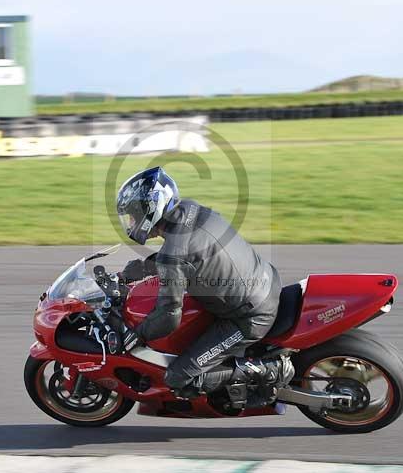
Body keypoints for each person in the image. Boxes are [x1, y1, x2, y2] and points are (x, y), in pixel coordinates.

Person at [116, 166, 287, 398]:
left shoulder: (172, 256)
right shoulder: (191, 209)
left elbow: (169, 316)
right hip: (266, 281)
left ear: (149, 208)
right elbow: (191, 255)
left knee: (179, 377)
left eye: (133, 214)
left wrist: (137, 334)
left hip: (250, 317)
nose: (132, 221)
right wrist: (143, 268)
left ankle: (267, 371)